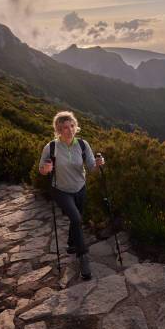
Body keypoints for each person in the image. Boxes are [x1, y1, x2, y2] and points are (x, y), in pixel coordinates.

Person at [38, 111, 104, 280]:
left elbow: (90, 167)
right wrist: (46, 170)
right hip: (60, 190)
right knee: (76, 219)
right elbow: (42, 169)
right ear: (58, 130)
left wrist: (98, 164)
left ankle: (70, 244)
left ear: (76, 126)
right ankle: (83, 258)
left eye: (72, 126)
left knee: (77, 218)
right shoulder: (51, 147)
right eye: (64, 127)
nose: (69, 130)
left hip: (80, 188)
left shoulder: (82, 145)